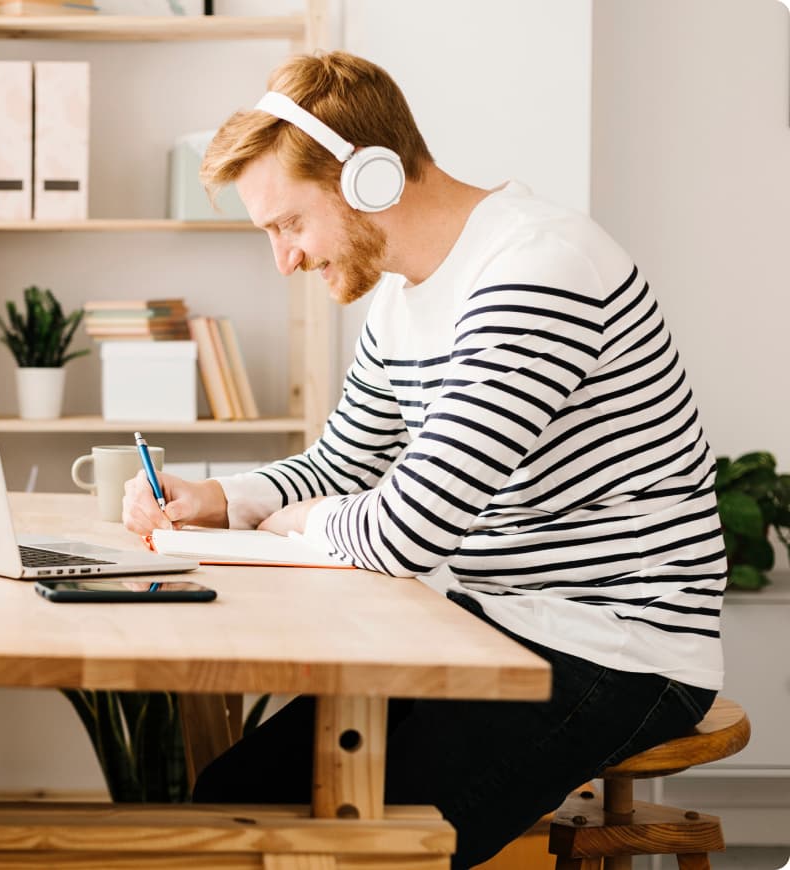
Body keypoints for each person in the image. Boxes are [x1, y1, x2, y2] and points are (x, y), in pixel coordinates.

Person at [121, 51, 725, 869]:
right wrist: (223, 498)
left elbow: (408, 532)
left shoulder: (536, 270)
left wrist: (305, 522)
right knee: (236, 803)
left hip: (616, 648)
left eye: (289, 224)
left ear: (370, 177)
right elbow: (342, 466)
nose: (285, 260)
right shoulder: (403, 303)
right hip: (491, 624)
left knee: (361, 852)